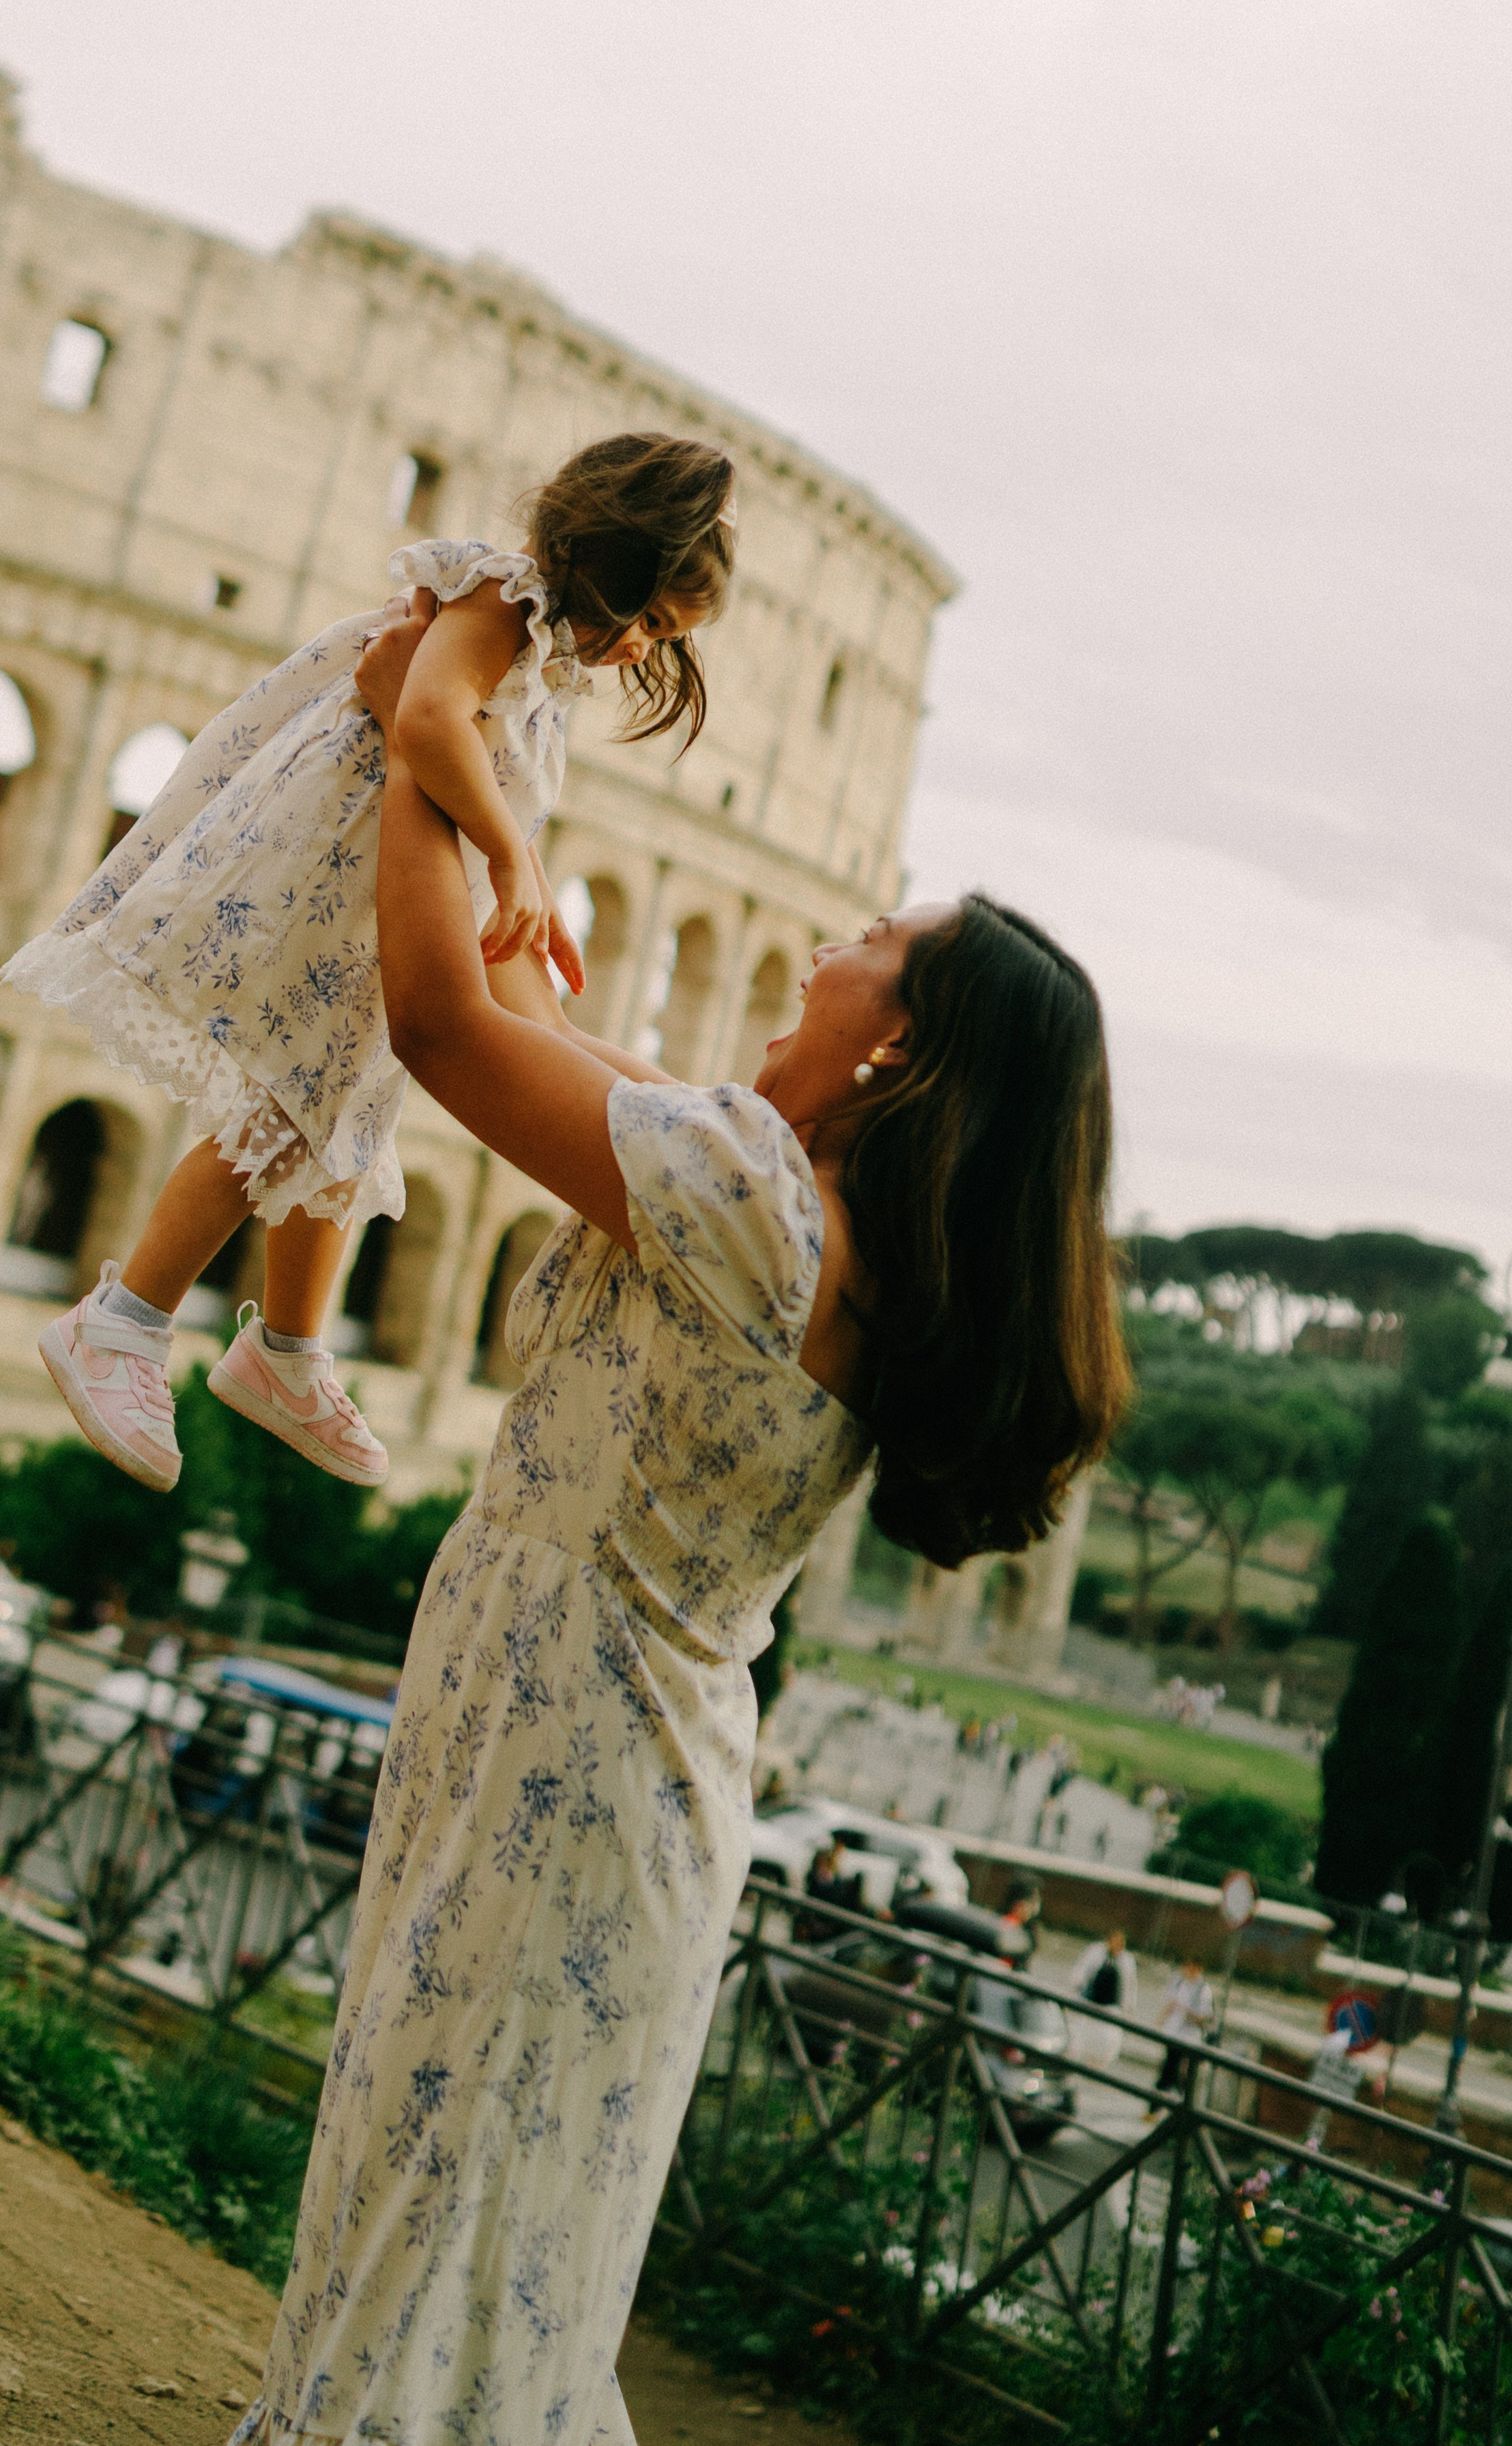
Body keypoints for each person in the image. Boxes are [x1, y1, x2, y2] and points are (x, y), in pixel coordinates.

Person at [222, 591, 1132, 2446]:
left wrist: (431, 745)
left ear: (907, 1047)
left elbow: (437, 1022)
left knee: (428, 2218)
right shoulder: (794, 1212)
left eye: (876, 942)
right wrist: (481, 796)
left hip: (563, 1739)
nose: (826, 944)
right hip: (609, 1747)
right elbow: (549, 1024)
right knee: (480, 2245)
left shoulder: (750, 1204)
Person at [1, 433, 738, 1498]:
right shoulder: (502, 599)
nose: (640, 656)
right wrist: (507, 854)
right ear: (616, 571)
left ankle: (287, 1354)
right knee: (291, 1100)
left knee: (363, 1098)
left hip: (414, 872)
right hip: (345, 863)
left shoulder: (539, 659)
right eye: (653, 625)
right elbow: (428, 720)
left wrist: (514, 881)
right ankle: (121, 1324)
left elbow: (465, 759)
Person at [1068, 1928, 1137, 2071]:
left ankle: (1099, 2061)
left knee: (1108, 2036)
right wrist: (1077, 1983)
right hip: (1090, 1998)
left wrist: (1129, 2006)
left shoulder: (1127, 1961)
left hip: (1111, 2004)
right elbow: (1083, 1969)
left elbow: (1130, 1985)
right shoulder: (1096, 1951)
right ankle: (1077, 2057)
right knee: (1082, 2030)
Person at [1153, 1954, 1215, 2101]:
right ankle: (1172, 2099)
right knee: (1171, 2068)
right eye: (1186, 1966)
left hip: (1188, 2038)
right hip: (1173, 2033)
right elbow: (1170, 2004)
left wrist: (1186, 2012)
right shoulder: (1178, 1982)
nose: (1188, 1970)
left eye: (1192, 1968)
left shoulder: (1203, 1990)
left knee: (1173, 2069)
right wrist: (1160, 2021)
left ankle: (1161, 2102)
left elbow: (1204, 2017)